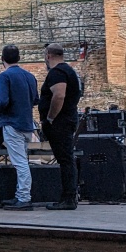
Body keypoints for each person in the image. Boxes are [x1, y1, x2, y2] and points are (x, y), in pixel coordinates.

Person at [0, 45, 40, 210]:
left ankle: (24, 197)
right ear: (19, 58)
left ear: (2, 59)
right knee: (23, 161)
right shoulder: (30, 76)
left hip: (12, 123)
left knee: (20, 163)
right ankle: (20, 194)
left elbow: (3, 101)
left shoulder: (4, 77)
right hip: (27, 123)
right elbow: (35, 100)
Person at [40, 44, 82, 210]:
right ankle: (69, 196)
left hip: (60, 122)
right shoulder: (70, 71)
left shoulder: (57, 73)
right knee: (67, 159)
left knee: (65, 160)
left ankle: (68, 199)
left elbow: (59, 95)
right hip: (67, 119)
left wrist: (50, 118)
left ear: (48, 55)